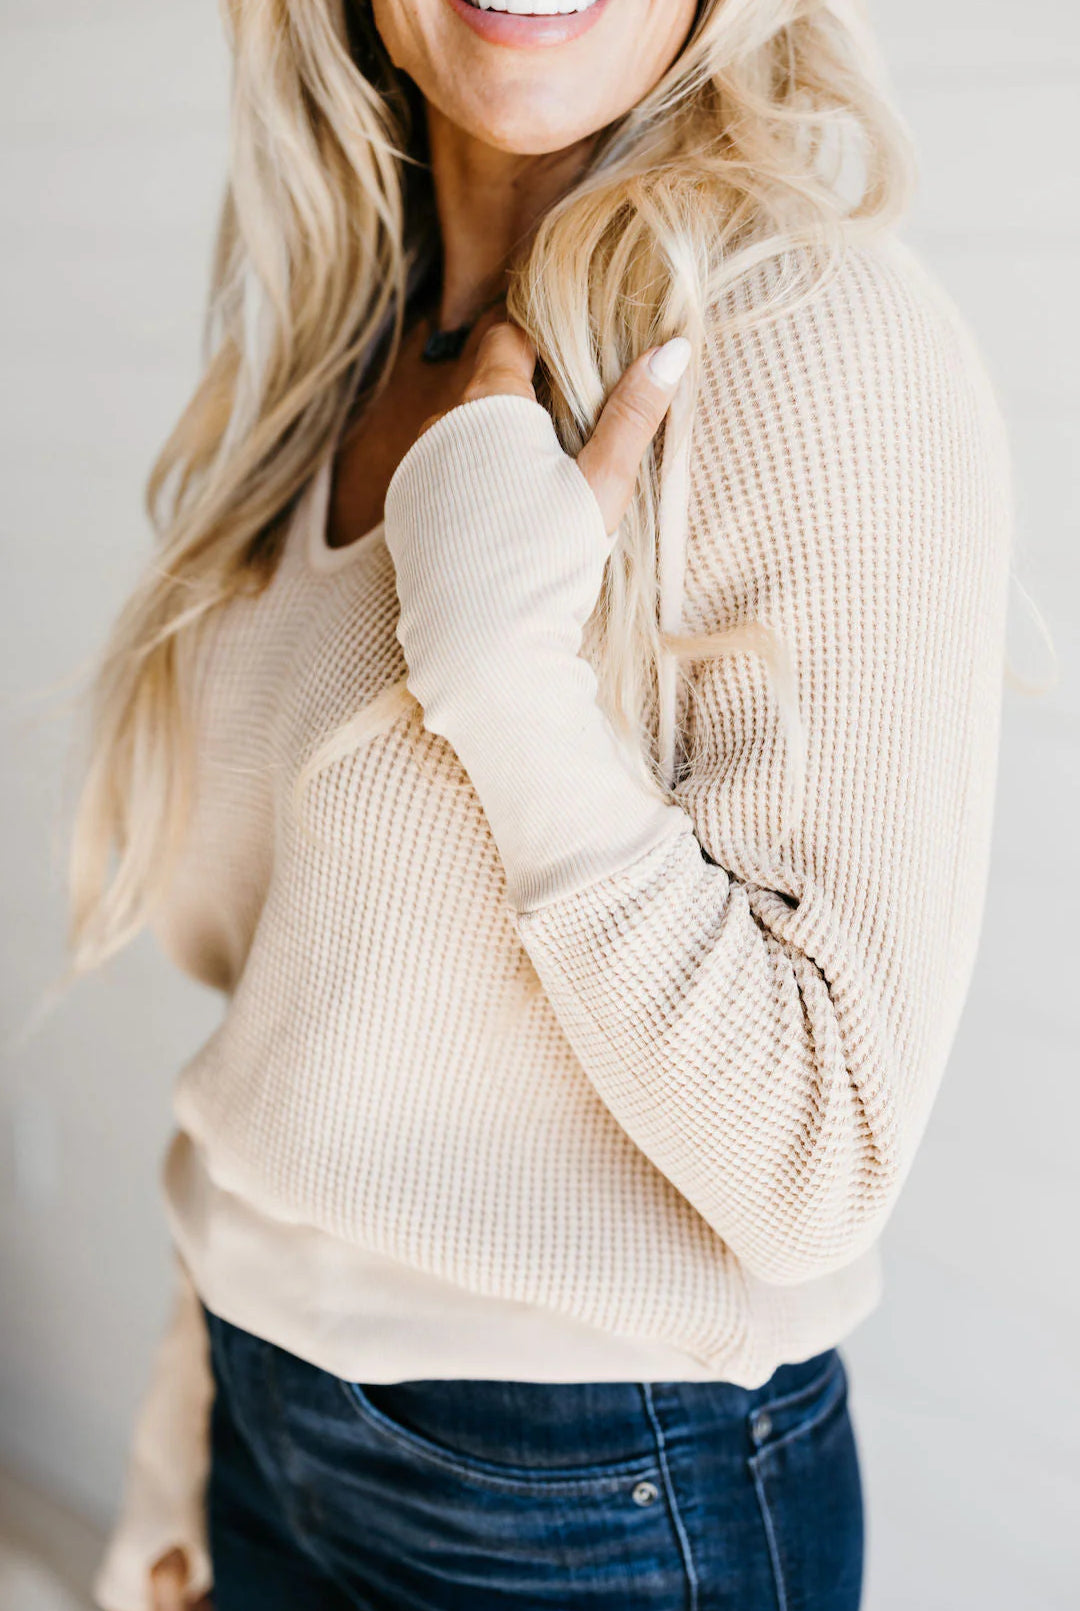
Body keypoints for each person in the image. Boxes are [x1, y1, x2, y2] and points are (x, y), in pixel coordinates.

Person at [74, 1, 1014, 1607]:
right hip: (268, 1420)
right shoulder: (339, 357)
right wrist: (187, 1421)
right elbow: (302, 1005)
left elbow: (820, 1161)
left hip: (598, 1506)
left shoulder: (811, 336)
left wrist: (503, 673)